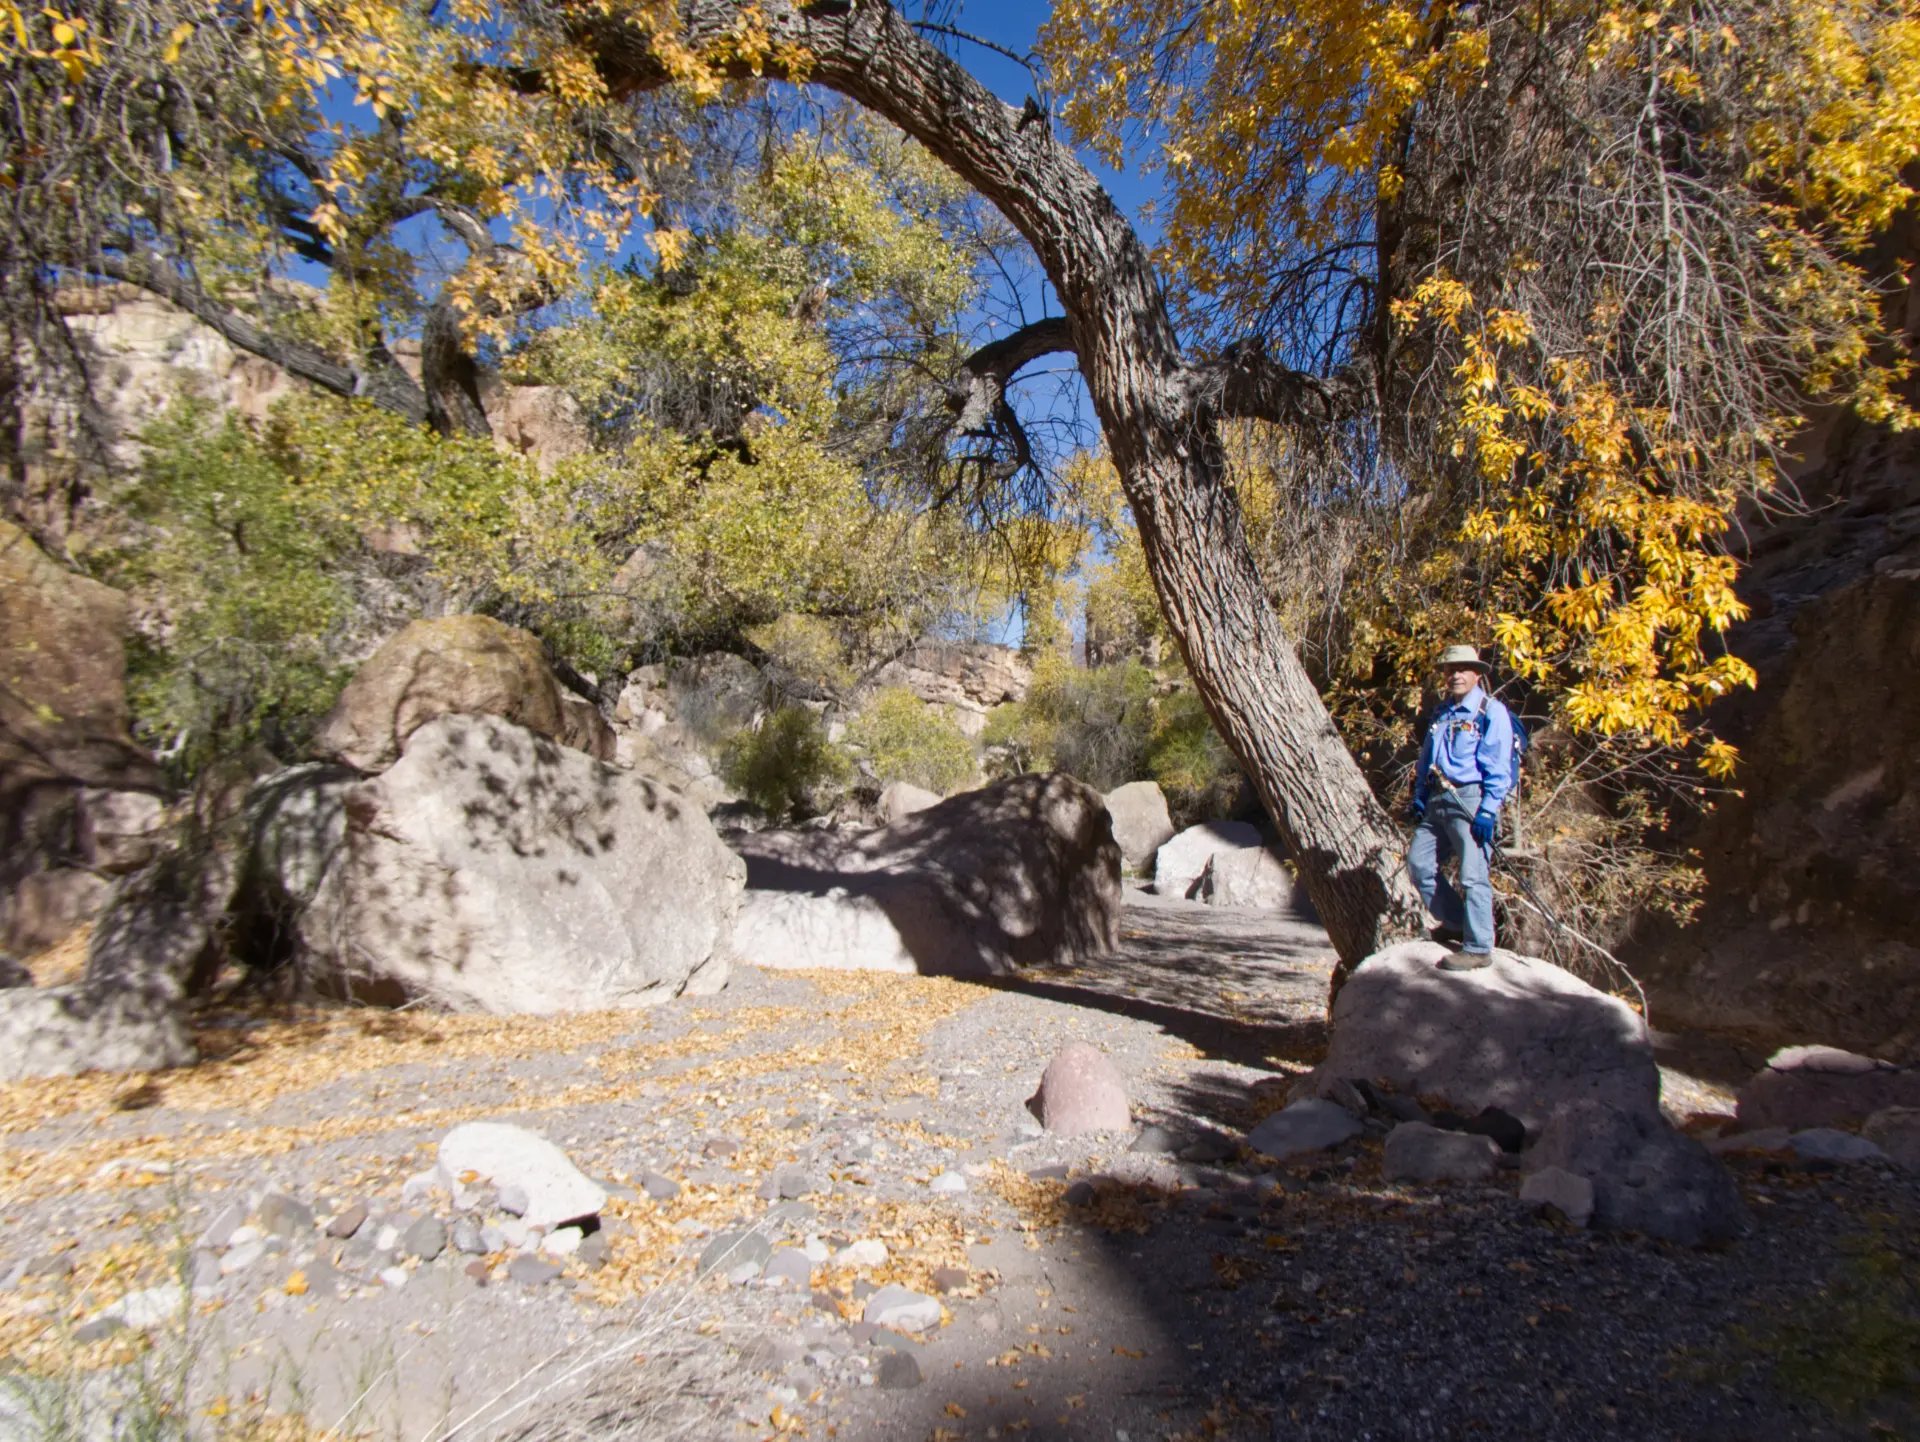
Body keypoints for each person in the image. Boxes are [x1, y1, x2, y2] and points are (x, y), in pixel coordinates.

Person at [1407, 644, 1515, 970]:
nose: (1455, 675)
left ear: (1477, 673)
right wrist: (1420, 793)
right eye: (1450, 670)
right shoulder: (1443, 711)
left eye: (1463, 669)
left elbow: (1499, 766)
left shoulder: (1490, 712)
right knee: (1419, 864)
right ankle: (1454, 922)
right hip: (1438, 799)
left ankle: (1479, 947)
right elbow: (1428, 755)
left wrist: (1488, 810)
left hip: (1471, 799)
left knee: (1472, 876)